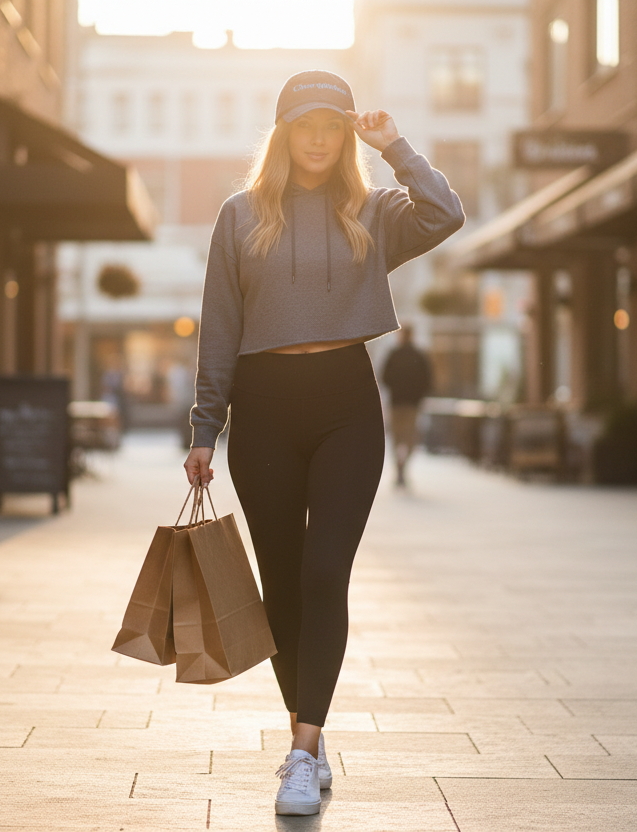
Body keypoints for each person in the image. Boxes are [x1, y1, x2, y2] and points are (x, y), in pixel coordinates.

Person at [182, 70, 464, 816]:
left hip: (346, 404)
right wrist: (204, 427)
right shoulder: (240, 216)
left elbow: (445, 213)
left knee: (322, 572)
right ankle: (310, 729)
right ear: (282, 134)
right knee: (280, 588)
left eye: (331, 125)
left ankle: (302, 753)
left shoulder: (371, 209)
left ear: (345, 136)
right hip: (263, 406)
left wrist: (396, 145)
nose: (317, 137)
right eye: (304, 124)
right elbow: (220, 329)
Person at [382, 328, 432, 487]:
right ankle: (402, 468)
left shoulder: (394, 354)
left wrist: (396, 389)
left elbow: (384, 377)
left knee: (397, 437)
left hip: (397, 402)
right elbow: (428, 380)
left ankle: (399, 468)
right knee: (409, 437)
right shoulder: (419, 355)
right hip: (412, 404)